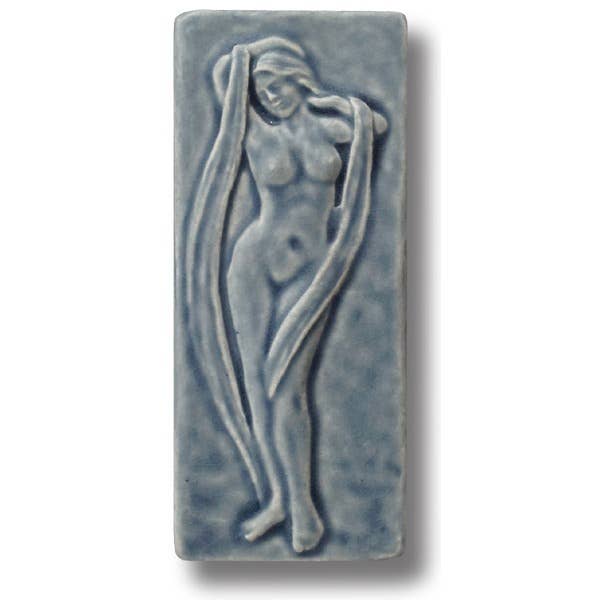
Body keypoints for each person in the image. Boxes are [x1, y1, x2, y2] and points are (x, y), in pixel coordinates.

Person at [187, 37, 387, 553]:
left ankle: (304, 510)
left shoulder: (330, 128)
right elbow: (222, 75)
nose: (270, 94)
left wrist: (330, 100)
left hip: (312, 268)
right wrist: (250, 55)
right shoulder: (253, 131)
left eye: (279, 83)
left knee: (287, 389)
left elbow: (377, 125)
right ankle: (279, 499)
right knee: (259, 388)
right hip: (254, 265)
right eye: (262, 87)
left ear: (300, 79)